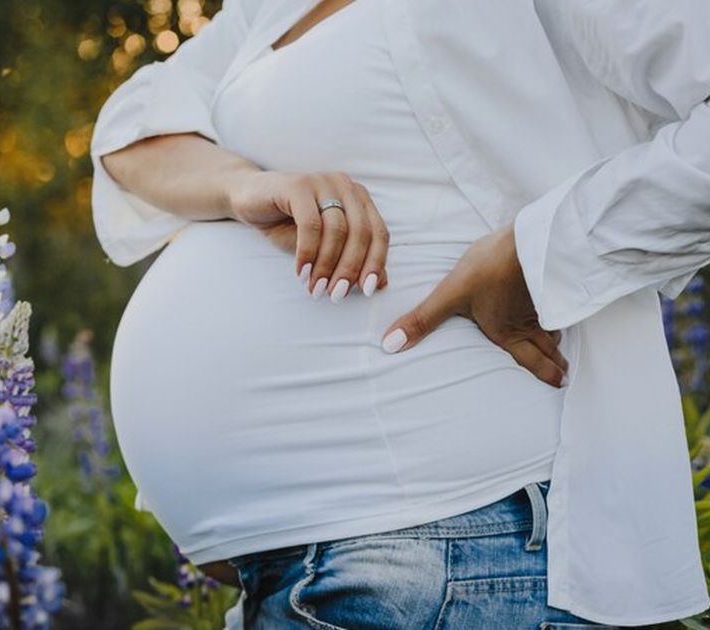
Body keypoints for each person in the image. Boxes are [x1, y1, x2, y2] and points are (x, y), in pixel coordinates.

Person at [90, 0, 710, 626]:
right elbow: (132, 127)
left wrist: (539, 253)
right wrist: (242, 184)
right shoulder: (273, 8)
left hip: (460, 546)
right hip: (326, 566)